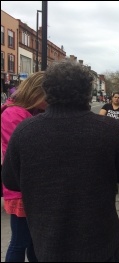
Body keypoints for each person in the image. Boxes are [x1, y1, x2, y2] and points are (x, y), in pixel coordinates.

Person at [2, 60, 119, 262]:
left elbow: (11, 180)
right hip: (99, 239)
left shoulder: (25, 131)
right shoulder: (109, 129)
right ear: (86, 91)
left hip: (48, 241)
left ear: (47, 91)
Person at [1, 71, 47, 262]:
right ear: (36, 93)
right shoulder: (14, 114)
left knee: (34, 242)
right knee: (19, 242)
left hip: (31, 187)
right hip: (20, 189)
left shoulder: (32, 112)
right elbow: (26, 151)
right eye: (47, 97)